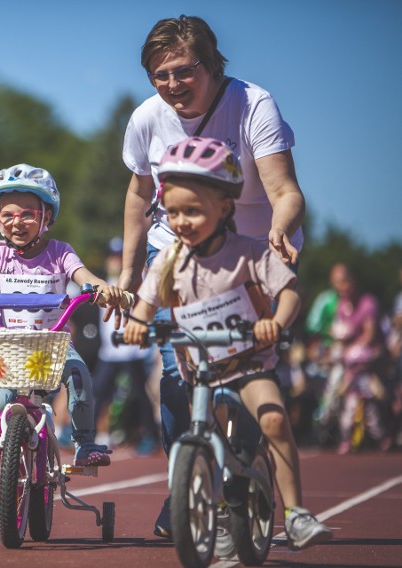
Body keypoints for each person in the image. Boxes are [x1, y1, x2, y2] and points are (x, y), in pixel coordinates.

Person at [119, 14, 307, 538]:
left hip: (249, 253)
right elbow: (138, 197)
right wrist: (129, 275)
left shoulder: (252, 104)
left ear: (211, 63)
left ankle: (242, 477)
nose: (172, 85)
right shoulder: (147, 118)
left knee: (241, 375)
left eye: (183, 71)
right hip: (177, 255)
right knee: (178, 378)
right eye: (160, 75)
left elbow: (285, 190)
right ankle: (192, 482)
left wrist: (280, 231)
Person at [122, 137, 332, 553]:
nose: (182, 221)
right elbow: (147, 301)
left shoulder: (249, 253)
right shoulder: (167, 260)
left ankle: (295, 513)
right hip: (201, 367)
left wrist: (274, 321)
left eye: (194, 211)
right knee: (200, 430)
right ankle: (212, 509)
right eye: (175, 212)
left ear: (225, 207)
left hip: (249, 362)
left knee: (271, 418)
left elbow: (289, 291)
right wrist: (136, 324)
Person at [0, 163, 127, 490]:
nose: (17, 223)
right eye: (7, 215)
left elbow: (86, 278)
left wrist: (102, 289)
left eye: (28, 214)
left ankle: (84, 444)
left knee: (80, 376)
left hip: (54, 346)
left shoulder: (60, 253)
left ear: (46, 217)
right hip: (11, 347)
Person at [91, 237, 156, 455]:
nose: (116, 261)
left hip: (133, 350)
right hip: (109, 351)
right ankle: (88, 437)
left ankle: (149, 436)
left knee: (140, 395)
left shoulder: (140, 279)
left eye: (120, 256)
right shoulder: (104, 282)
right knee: (99, 392)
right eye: (113, 256)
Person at [328, 263, 390, 454]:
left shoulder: (368, 303)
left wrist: (353, 348)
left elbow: (370, 336)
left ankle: (382, 437)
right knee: (344, 404)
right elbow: (340, 332)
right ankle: (341, 434)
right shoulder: (341, 305)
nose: (342, 289)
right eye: (337, 284)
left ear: (352, 281)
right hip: (350, 365)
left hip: (370, 359)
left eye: (345, 282)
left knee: (373, 409)